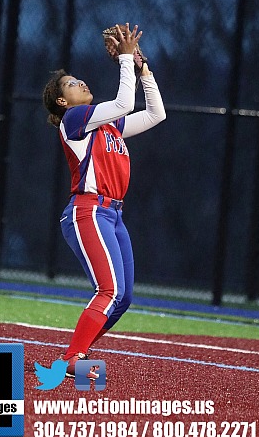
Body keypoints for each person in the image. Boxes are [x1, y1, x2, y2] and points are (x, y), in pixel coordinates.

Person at [42, 23, 166, 378]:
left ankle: (76, 357)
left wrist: (142, 68)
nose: (79, 83)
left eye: (78, 80)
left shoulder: (106, 126)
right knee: (109, 290)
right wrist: (125, 59)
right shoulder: (75, 118)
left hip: (113, 215)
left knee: (123, 299)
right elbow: (125, 102)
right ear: (63, 102)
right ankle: (71, 358)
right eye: (71, 85)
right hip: (88, 212)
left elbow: (156, 114)